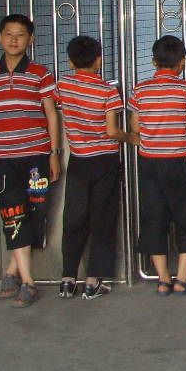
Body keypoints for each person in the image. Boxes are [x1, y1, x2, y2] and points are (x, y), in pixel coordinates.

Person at [0, 13, 60, 308]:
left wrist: (54, 153)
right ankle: (28, 282)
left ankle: (11, 271)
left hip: (37, 156)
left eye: (20, 34)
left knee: (36, 212)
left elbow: (51, 114)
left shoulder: (40, 73)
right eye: (9, 34)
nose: (14, 39)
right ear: (0, 37)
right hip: (6, 158)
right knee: (12, 214)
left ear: (30, 40)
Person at [54, 35, 139, 300]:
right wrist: (131, 138)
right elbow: (112, 131)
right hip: (104, 161)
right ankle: (93, 281)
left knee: (74, 218)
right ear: (99, 61)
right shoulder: (107, 91)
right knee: (102, 219)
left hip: (79, 160)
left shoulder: (63, 85)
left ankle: (68, 278)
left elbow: (53, 104)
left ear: (70, 62)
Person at [127, 35, 186, 295]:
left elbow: (135, 128)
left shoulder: (139, 90)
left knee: (153, 217)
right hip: (175, 163)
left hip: (149, 163)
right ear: (182, 62)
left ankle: (163, 280)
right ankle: (182, 279)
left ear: (154, 62)